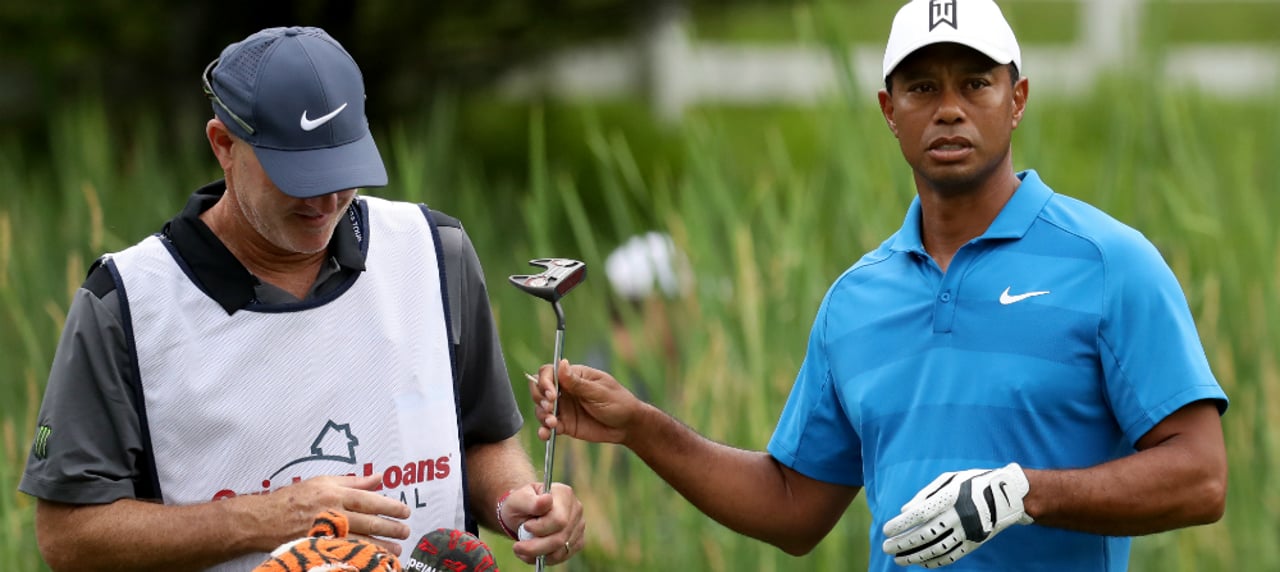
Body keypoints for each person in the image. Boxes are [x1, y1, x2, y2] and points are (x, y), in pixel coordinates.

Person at [530, 1, 1228, 570]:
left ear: (1016, 100)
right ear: (889, 110)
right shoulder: (854, 301)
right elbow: (791, 507)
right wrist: (641, 426)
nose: (949, 108)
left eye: (975, 83)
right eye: (923, 87)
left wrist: (1022, 493)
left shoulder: (1109, 262)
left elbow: (1201, 477)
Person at [20, 26, 584, 571]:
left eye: (343, 168)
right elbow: (69, 536)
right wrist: (271, 517)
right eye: (299, 173)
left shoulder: (436, 252)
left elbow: (481, 440)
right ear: (224, 145)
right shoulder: (127, 303)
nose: (327, 198)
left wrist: (520, 506)